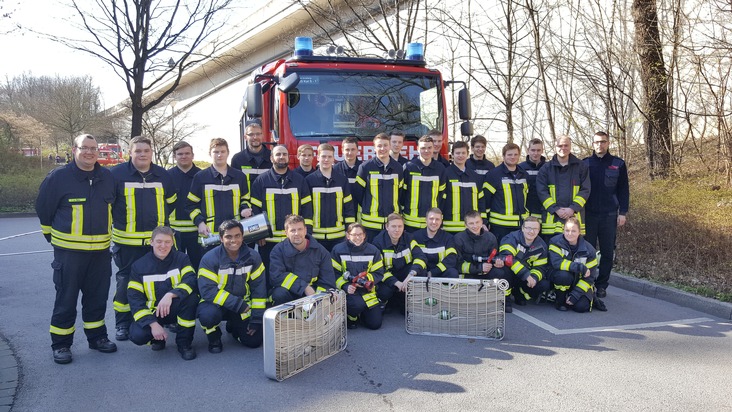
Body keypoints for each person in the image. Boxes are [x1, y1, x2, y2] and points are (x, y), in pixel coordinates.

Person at [36, 134, 118, 364]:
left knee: (97, 297)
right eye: (85, 148)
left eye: (94, 148)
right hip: (69, 254)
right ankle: (61, 345)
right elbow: (44, 209)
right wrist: (53, 239)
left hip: (100, 253)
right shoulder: (59, 177)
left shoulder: (107, 177)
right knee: (66, 299)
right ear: (74, 150)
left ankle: (97, 338)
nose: (90, 152)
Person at [110, 136, 176, 341]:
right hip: (127, 242)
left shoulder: (162, 175)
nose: (142, 154)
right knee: (125, 283)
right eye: (138, 151)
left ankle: (163, 318)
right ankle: (122, 323)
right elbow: (109, 204)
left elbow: (171, 201)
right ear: (130, 152)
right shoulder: (116, 174)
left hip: (156, 245)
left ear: (151, 152)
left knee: (162, 281)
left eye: (146, 150)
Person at [127, 226, 197, 360]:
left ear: (172, 243)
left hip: (176, 306)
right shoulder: (139, 266)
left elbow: (191, 280)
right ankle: (157, 339)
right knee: (137, 335)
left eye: (167, 242)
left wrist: (171, 294)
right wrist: (152, 324)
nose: (163, 246)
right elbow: (134, 299)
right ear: (151, 242)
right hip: (153, 311)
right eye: (159, 241)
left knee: (191, 299)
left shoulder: (182, 259)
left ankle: (184, 344)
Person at [197, 220, 267, 352]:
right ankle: (214, 338)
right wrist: (239, 305)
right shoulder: (209, 259)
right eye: (228, 236)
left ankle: (235, 328)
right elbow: (208, 291)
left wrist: (256, 319)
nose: (233, 240)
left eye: (237, 236)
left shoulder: (253, 256)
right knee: (208, 315)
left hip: (242, 305)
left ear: (242, 236)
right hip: (217, 304)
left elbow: (259, 289)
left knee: (254, 341)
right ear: (221, 238)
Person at [249, 145, 312, 285]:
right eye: (278, 154)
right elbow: (255, 209)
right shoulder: (261, 181)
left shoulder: (299, 180)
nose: (281, 157)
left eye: (284, 154)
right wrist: (259, 234)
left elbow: (307, 209)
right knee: (269, 274)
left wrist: (307, 234)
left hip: (293, 240)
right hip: (268, 241)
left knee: (295, 272)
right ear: (272, 158)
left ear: (289, 157)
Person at [583, 131, 629, 298]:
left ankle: (601, 285)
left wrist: (622, 212)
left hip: (609, 215)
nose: (599, 145)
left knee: (607, 252)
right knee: (587, 251)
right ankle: (586, 283)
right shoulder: (585, 164)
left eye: (603, 142)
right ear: (593, 144)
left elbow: (624, 190)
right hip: (588, 215)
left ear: (608, 143)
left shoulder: (618, 164)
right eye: (596, 142)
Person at [186, 138, 252, 250]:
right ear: (210, 154)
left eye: (222, 151)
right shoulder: (200, 177)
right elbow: (190, 205)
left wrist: (245, 209)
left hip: (234, 236)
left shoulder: (240, 176)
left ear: (228, 153)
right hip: (210, 236)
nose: (219, 155)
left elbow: (245, 199)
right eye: (216, 152)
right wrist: (200, 223)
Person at [452, 210, 513, 311]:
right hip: (468, 274)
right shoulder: (458, 239)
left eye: (477, 222)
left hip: (487, 271)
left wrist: (497, 263)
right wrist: (479, 268)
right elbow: (457, 264)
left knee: (503, 272)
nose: (475, 226)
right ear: (465, 225)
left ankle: (505, 299)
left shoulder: (490, 237)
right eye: (471, 223)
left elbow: (495, 256)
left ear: (482, 223)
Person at [269, 214, 336, 305]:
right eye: (293, 230)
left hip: (313, 294)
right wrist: (304, 287)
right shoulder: (278, 251)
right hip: (290, 294)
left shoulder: (321, 251)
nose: (297, 233)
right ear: (286, 233)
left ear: (305, 230)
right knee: (279, 294)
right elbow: (277, 276)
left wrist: (319, 299)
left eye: (300, 229)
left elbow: (328, 281)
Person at [536, 135, 591, 240]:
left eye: (566, 145)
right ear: (555, 147)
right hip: (551, 221)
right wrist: (556, 209)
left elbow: (585, 190)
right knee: (553, 253)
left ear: (570, 147)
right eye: (560, 145)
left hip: (574, 218)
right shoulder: (546, 169)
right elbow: (542, 192)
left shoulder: (581, 166)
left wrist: (572, 208)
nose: (563, 148)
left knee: (574, 253)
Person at [332, 223, 386, 329]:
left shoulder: (373, 251)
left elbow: (379, 272)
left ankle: (363, 314)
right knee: (356, 305)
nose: (357, 237)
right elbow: (333, 273)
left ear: (365, 235)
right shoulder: (338, 250)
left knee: (375, 324)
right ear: (348, 235)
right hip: (349, 292)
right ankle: (352, 316)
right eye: (354, 235)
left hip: (368, 292)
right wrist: (345, 286)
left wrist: (366, 280)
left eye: (360, 234)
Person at [548, 217, 607, 312]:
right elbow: (557, 263)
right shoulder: (555, 242)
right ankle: (560, 301)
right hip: (562, 278)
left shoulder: (589, 250)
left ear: (579, 232)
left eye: (573, 231)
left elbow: (589, 277)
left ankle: (575, 297)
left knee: (581, 307)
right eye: (567, 230)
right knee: (563, 275)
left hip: (579, 282)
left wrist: (575, 295)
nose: (569, 234)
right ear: (563, 230)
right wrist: (580, 267)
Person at [353, 133, 404, 241]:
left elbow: (400, 193)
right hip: (371, 224)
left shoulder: (398, 168)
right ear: (374, 148)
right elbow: (358, 194)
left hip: (391, 224)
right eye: (379, 146)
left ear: (389, 146)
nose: (383, 148)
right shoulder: (365, 167)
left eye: (385, 145)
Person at [371, 213, 427, 313]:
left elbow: (421, 257)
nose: (397, 230)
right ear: (387, 227)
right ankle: (384, 302)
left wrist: (410, 276)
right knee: (384, 292)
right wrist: (397, 283)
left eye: (400, 226)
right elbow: (379, 269)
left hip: (405, 276)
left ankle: (405, 302)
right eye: (393, 226)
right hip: (388, 277)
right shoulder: (378, 242)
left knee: (421, 271)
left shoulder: (409, 238)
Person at [306, 143, 356, 251]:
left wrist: (350, 230)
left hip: (338, 236)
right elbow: (306, 209)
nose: (326, 159)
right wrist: (308, 233)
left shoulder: (342, 180)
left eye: (329, 157)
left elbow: (349, 207)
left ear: (334, 159)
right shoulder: (309, 180)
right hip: (316, 236)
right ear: (318, 157)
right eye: (323, 156)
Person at [497, 216, 551, 306]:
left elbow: (540, 267)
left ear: (539, 230)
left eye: (535, 229)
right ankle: (505, 298)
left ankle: (520, 293)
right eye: (528, 228)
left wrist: (534, 277)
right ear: (522, 228)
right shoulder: (511, 238)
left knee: (544, 284)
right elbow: (508, 258)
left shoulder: (541, 245)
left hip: (524, 276)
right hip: (511, 272)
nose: (531, 231)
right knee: (504, 270)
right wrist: (526, 275)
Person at [167, 141, 203, 270]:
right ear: (174, 156)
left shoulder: (202, 176)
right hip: (174, 231)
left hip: (197, 230)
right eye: (180, 154)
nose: (184, 156)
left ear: (193, 155)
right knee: (176, 267)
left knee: (198, 266)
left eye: (187, 153)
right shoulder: (167, 176)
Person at [483, 143, 529, 243]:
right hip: (500, 227)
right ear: (503, 156)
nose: (513, 157)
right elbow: (485, 199)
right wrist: (484, 221)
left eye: (515, 154)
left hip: (520, 225)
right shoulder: (494, 175)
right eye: (509, 155)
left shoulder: (524, 174)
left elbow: (527, 198)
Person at [401, 135, 446, 232]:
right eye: (423, 148)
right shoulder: (409, 167)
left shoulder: (440, 168)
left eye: (429, 148)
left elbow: (442, 195)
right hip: (410, 222)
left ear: (433, 148)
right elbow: (402, 194)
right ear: (417, 149)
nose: (426, 151)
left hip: (432, 223)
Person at [440, 141, 486, 233]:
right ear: (452, 155)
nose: (460, 155)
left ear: (468, 154)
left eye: (463, 153)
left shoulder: (475, 176)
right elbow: (440, 200)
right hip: (450, 228)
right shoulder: (445, 174)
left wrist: (483, 221)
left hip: (471, 228)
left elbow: (481, 200)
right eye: (457, 153)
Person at [412, 208, 459, 278]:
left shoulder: (448, 238)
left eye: (437, 219)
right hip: (421, 271)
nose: (434, 222)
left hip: (440, 271)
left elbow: (451, 259)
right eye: (431, 219)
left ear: (441, 221)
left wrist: (434, 272)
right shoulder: (416, 236)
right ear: (426, 220)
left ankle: (446, 289)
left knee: (453, 273)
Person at [231, 121, 272, 193]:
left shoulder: (273, 158)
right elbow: (234, 185)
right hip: (247, 203)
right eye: (251, 134)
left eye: (258, 134)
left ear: (262, 136)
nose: (255, 137)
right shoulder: (237, 159)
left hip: (268, 203)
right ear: (245, 137)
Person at [518, 138, 546, 218]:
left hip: (544, 210)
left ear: (542, 150)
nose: (535, 153)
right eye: (533, 150)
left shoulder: (548, 168)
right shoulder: (520, 168)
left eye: (538, 150)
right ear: (528, 150)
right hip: (526, 211)